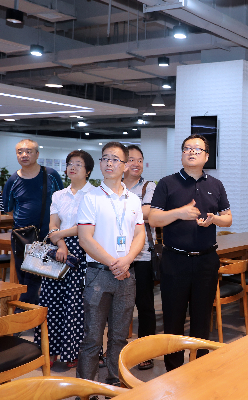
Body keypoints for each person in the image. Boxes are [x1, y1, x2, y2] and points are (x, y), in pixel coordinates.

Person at [149, 134, 232, 371]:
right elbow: (153, 219)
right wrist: (180, 212)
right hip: (175, 261)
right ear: (182, 154)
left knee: (202, 319)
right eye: (187, 148)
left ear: (207, 156)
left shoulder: (216, 185)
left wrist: (215, 219)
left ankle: (199, 368)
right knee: (173, 319)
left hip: (206, 260)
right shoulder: (167, 183)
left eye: (197, 149)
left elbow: (228, 218)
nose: (192, 152)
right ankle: (173, 371)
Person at [77, 142, 145, 386]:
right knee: (92, 338)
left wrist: (126, 261)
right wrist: (113, 263)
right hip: (98, 275)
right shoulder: (91, 197)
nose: (109, 163)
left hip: (127, 275)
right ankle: (86, 388)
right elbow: (85, 239)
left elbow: (140, 234)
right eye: (105, 158)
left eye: (115, 159)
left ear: (125, 165)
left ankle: (115, 383)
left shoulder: (133, 199)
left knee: (119, 337)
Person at [33, 151, 94, 369]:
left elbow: (86, 226)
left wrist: (59, 235)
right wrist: (60, 243)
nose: (72, 167)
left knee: (75, 304)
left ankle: (72, 352)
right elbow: (52, 224)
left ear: (88, 170)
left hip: (83, 250)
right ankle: (49, 350)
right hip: (58, 251)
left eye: (78, 164)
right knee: (51, 301)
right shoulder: (59, 195)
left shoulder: (94, 195)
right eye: (70, 164)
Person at [2, 138, 63, 304]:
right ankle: (30, 311)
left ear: (37, 154)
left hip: (48, 235)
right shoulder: (13, 180)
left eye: (28, 151)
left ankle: (29, 311)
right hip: (22, 236)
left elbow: (62, 201)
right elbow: (8, 208)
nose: (24, 155)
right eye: (20, 152)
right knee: (25, 277)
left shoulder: (50, 175)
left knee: (46, 278)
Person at [122, 145, 158, 370]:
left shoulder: (148, 186)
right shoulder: (113, 186)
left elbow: (147, 213)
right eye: (131, 160)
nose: (136, 164)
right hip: (116, 256)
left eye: (140, 160)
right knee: (117, 307)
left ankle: (146, 352)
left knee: (145, 306)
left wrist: (118, 210)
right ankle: (115, 350)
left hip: (142, 255)